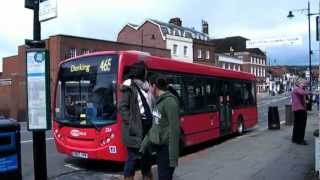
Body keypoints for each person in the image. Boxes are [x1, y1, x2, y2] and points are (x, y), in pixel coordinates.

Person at [118, 61, 154, 180]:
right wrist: (131, 124)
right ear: (141, 72)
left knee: (146, 156)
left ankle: (147, 177)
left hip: (147, 126)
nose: (147, 73)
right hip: (136, 127)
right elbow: (123, 107)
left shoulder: (146, 86)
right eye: (145, 71)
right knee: (132, 157)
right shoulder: (129, 86)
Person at [140, 76, 180, 180]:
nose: (148, 88)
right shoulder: (158, 102)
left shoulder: (170, 102)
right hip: (160, 149)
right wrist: (143, 145)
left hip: (167, 150)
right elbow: (155, 127)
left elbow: (174, 130)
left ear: (154, 86)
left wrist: (173, 158)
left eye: (149, 85)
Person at [291, 78, 312, 145]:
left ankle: (295, 139)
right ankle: (300, 140)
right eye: (303, 83)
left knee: (297, 125)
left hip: (298, 109)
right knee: (301, 125)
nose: (305, 84)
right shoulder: (297, 89)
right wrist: (313, 92)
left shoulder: (297, 88)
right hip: (300, 109)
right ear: (299, 83)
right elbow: (302, 93)